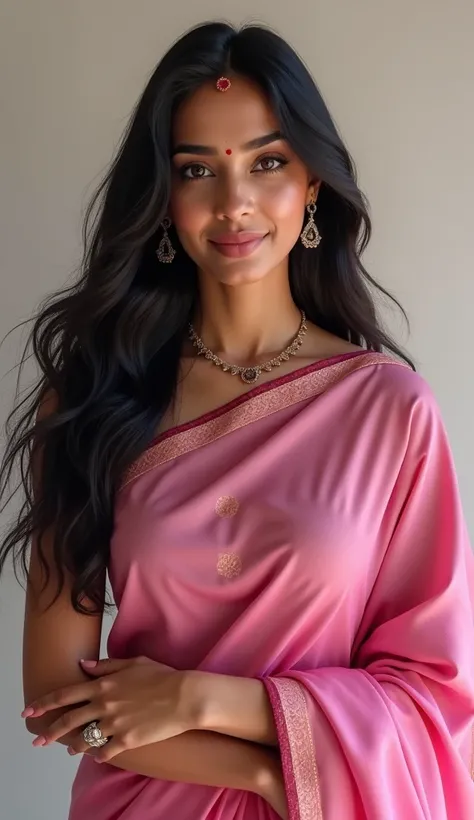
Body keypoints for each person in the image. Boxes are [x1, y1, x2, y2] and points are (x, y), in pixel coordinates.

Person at [1, 19, 473, 820]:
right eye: (197, 170)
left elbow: (432, 696)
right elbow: (55, 699)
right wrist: (261, 775)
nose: (235, 203)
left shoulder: (389, 412)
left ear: (312, 183)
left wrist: (195, 698)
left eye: (268, 162)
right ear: (164, 195)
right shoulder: (90, 400)